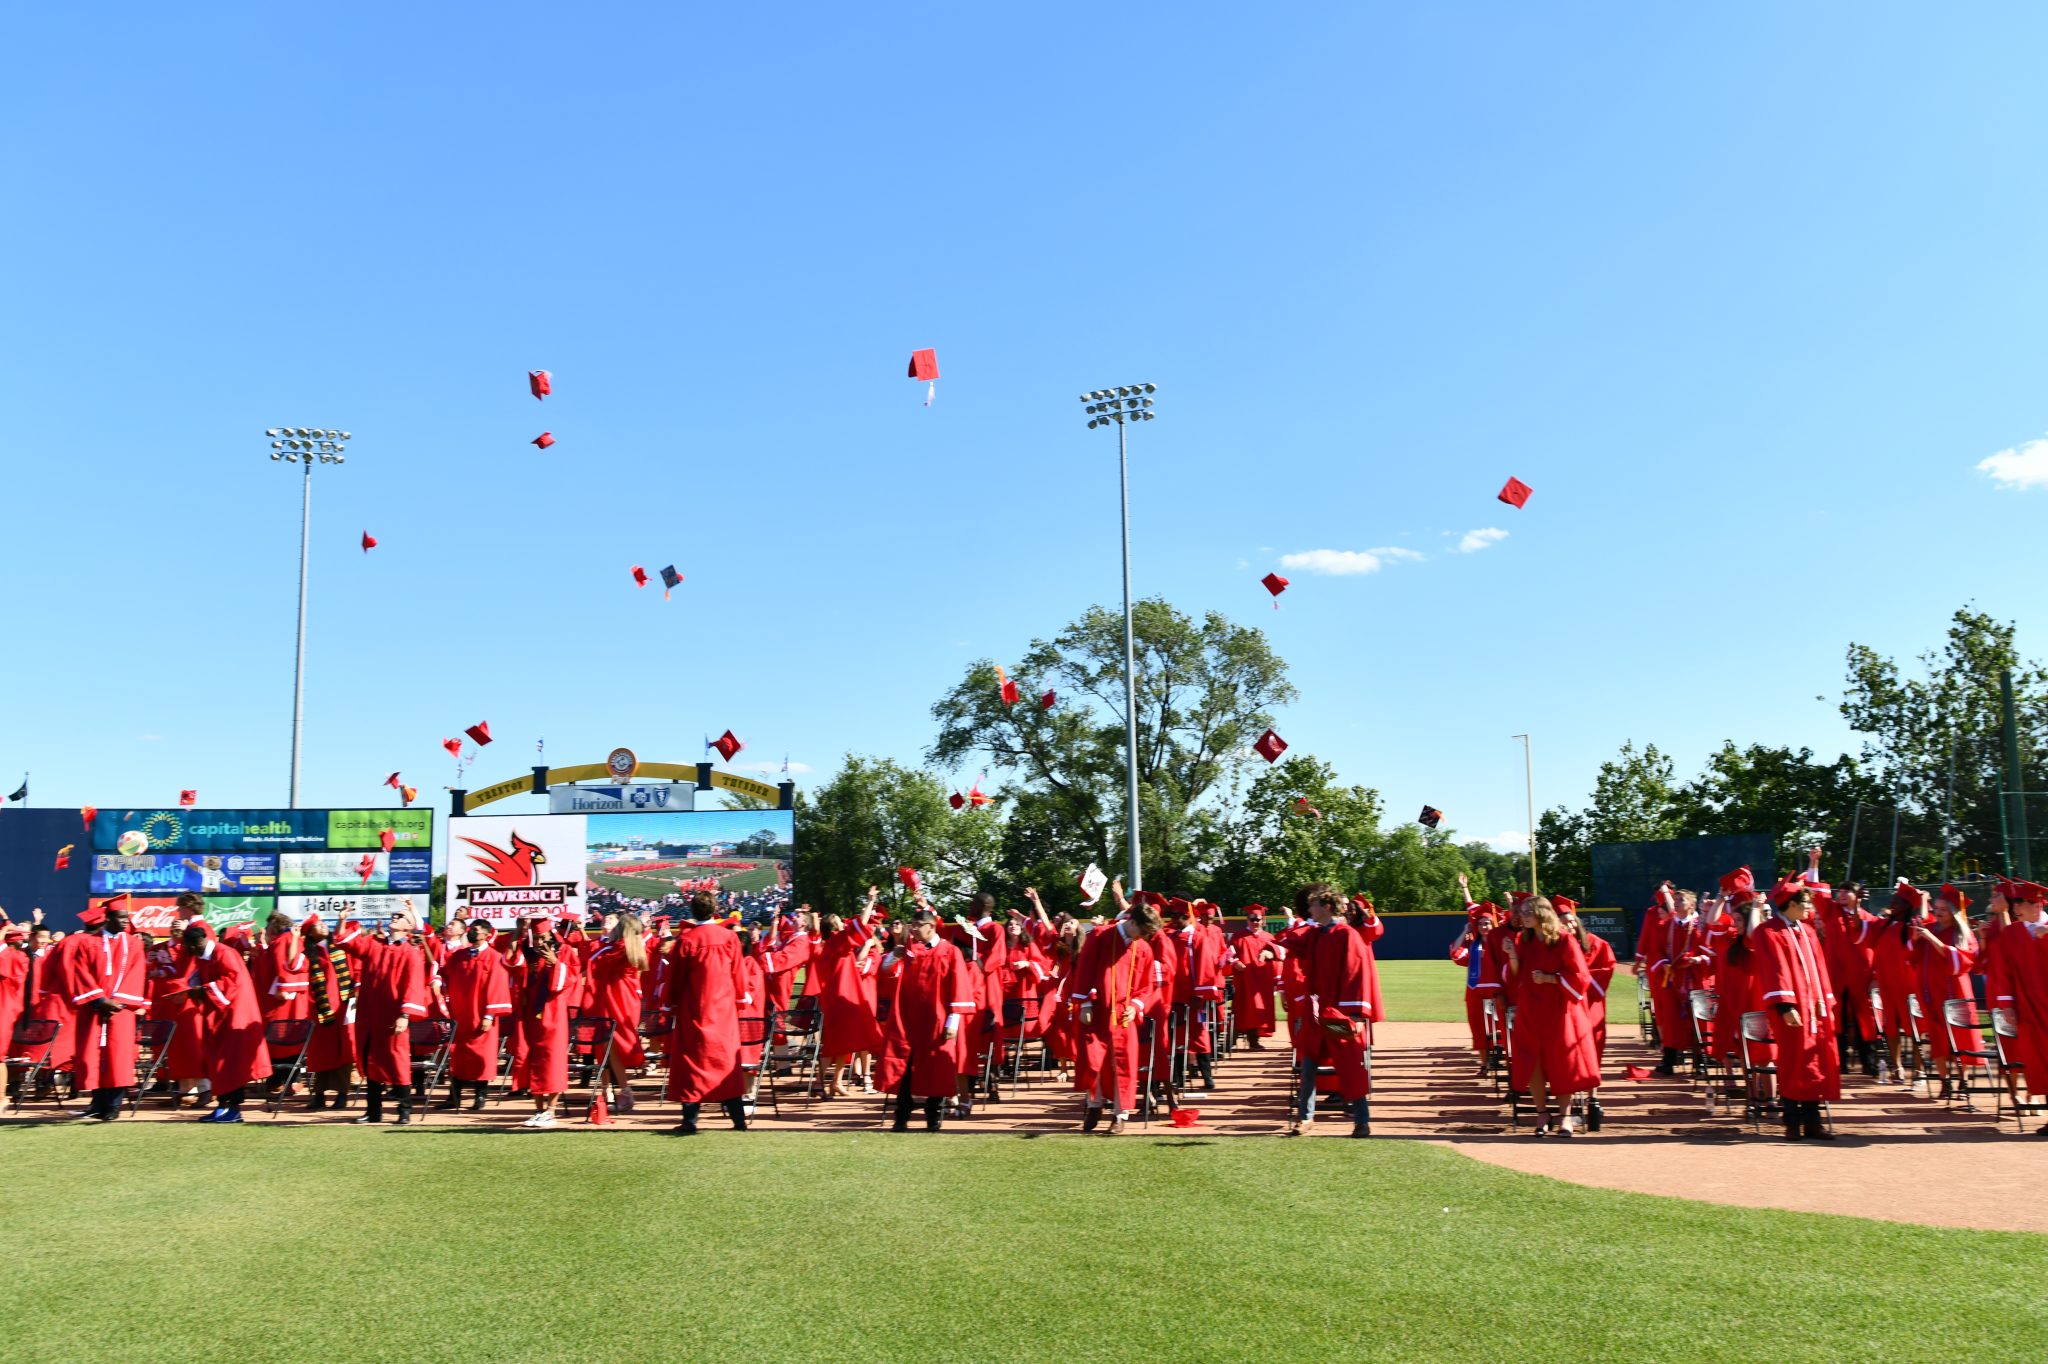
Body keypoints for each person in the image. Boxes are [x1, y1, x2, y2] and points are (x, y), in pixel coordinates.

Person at [1502, 894, 1599, 1137]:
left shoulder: (1564, 941)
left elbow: (1581, 978)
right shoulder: (1523, 940)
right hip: (1530, 1010)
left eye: (1527, 912)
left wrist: (1550, 978)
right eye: (1521, 913)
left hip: (1559, 1011)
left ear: (1541, 914)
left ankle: (1565, 1116)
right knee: (1531, 1059)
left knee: (1561, 1062)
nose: (1521, 916)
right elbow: (1516, 975)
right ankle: (1542, 1113)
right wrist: (1512, 954)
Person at [1067, 889, 1162, 1135]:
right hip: (1097, 1009)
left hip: (1123, 1014)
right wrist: (1085, 1003)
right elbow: (1084, 971)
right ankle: (1094, 1105)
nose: (1142, 937)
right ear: (1131, 922)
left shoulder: (1142, 948)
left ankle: (1120, 1115)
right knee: (1094, 1061)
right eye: (1141, 931)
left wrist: (1136, 1006)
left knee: (1122, 1063)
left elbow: (1146, 986)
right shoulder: (1100, 936)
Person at [1285, 883, 1376, 1138]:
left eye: (1313, 905)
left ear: (1326, 907)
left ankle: (1362, 1120)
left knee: (1349, 1065)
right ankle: (1305, 1118)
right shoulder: (1316, 934)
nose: (1309, 910)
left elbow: (1356, 973)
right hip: (1316, 1013)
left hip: (1338, 1015)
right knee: (1309, 1065)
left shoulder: (1347, 935)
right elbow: (1292, 943)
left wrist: (1355, 1014)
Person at [1754, 878, 1840, 1140]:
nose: (1809, 907)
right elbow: (1774, 970)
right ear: (1790, 904)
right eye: (1805, 903)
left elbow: (1820, 968)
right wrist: (1785, 1006)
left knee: (1815, 1062)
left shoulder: (1808, 931)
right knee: (1793, 1062)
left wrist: (1826, 1002)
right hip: (1791, 1009)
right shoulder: (1768, 932)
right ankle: (1792, 1121)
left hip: (1815, 1008)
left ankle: (1812, 1122)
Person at [666, 889, 753, 1134]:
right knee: (725, 1063)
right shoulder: (729, 938)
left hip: (695, 1008)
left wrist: (670, 1002)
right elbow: (738, 973)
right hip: (723, 1010)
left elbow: (676, 978)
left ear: (692, 911)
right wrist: (740, 996)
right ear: (714, 910)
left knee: (693, 1063)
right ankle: (738, 1120)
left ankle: (690, 1121)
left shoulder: (687, 939)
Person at [60, 898, 150, 1122]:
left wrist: (117, 1003)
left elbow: (137, 974)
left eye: (127, 918)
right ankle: (97, 1103)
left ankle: (113, 1105)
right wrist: (99, 1001)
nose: (125, 922)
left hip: (121, 1011)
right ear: (108, 918)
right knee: (92, 1056)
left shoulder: (134, 944)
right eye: (121, 918)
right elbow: (80, 973)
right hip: (94, 1009)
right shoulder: (89, 943)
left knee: (117, 1057)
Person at [340, 906, 431, 1126]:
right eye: (394, 915)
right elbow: (346, 943)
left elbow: (413, 985)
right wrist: (343, 920)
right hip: (370, 1015)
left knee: (397, 1061)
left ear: (409, 926)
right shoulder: (374, 945)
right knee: (371, 1060)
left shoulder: (410, 952)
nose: (395, 917)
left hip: (392, 1017)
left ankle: (404, 1110)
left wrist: (405, 1015)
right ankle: (373, 1111)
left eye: (400, 916)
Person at [183, 921, 271, 1123]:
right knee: (218, 1064)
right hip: (219, 1017)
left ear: (196, 943)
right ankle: (222, 1107)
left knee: (232, 1064)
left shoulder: (225, 954)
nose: (186, 951)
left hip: (235, 1018)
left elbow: (233, 982)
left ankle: (234, 1110)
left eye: (188, 946)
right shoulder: (206, 957)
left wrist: (203, 990)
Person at [1985, 878, 2048, 1128]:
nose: (2016, 908)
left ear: (2038, 905)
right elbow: (2003, 972)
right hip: (2028, 1007)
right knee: (2039, 1059)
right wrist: (2007, 1005)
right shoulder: (2011, 934)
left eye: (2022, 903)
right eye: (2016, 904)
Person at [510, 914, 581, 1127]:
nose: (539, 941)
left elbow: (571, 980)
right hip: (530, 1013)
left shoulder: (565, 951)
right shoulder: (528, 952)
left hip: (553, 1014)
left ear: (551, 933)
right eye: (536, 936)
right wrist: (518, 933)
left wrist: (555, 964)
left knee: (552, 1061)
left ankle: (551, 1111)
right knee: (531, 1059)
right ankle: (538, 1110)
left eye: (542, 936)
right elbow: (510, 964)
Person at [436, 917, 512, 1112]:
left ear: (487, 934)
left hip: (481, 1016)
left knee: (481, 1056)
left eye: (476, 930)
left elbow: (497, 988)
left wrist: (489, 1016)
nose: (472, 932)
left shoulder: (494, 957)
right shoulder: (459, 956)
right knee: (457, 1056)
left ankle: (480, 1096)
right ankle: (454, 1097)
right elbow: (444, 976)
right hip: (460, 1016)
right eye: (471, 929)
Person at [814, 890, 885, 1097]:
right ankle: (819, 1082)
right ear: (834, 927)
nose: (843, 922)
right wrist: (870, 901)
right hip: (842, 998)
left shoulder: (831, 946)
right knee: (836, 1043)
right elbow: (860, 925)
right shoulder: (837, 941)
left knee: (846, 1042)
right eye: (838, 920)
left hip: (840, 997)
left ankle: (835, 1082)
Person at [1913, 884, 1980, 1098]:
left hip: (1955, 993)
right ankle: (1945, 1081)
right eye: (1937, 908)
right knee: (1937, 1038)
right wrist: (1915, 940)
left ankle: (1963, 1081)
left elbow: (1962, 962)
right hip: (1931, 992)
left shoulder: (1963, 934)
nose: (1938, 913)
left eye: (1943, 909)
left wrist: (1931, 939)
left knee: (1959, 1036)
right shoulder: (1930, 929)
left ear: (1953, 911)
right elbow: (1913, 958)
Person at [1555, 896, 1614, 1130]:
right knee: (1568, 1057)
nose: (1567, 925)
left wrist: (1579, 982)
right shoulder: (1555, 946)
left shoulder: (1596, 943)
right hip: (1566, 1010)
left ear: (1576, 921)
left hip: (1591, 1008)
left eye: (1570, 920)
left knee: (1592, 1054)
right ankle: (1571, 1107)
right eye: (1562, 922)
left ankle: (1593, 1100)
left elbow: (1606, 969)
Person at [585, 913, 649, 1112]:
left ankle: (621, 1092)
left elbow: (592, 962)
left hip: (615, 1002)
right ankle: (618, 1091)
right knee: (612, 1049)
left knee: (608, 1047)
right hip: (627, 1002)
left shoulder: (614, 950)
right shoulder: (635, 949)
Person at [298, 914, 358, 1111]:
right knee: (320, 1053)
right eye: (316, 925)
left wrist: (342, 919)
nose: (322, 925)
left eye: (322, 922)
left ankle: (342, 1094)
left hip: (343, 1006)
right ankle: (319, 1095)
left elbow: (354, 966)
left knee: (344, 1051)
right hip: (320, 1008)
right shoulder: (308, 953)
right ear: (309, 933)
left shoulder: (338, 945)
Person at [1227, 904, 1282, 1048]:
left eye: (1258, 919)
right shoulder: (1238, 936)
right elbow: (1229, 954)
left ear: (1263, 920)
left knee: (1259, 1008)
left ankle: (1254, 1039)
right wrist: (1235, 962)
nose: (1255, 922)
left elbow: (1277, 959)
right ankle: (1232, 1039)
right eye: (1252, 919)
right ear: (1247, 919)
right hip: (1245, 979)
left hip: (1263, 980)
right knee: (1243, 1008)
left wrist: (1277, 978)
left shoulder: (1269, 937)